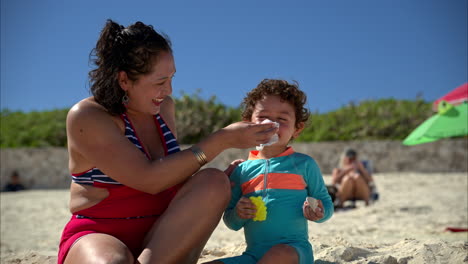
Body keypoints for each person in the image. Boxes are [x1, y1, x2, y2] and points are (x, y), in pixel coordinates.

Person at [57, 20, 279, 264]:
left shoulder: (163, 109)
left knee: (214, 181)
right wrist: (222, 140)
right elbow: (148, 180)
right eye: (160, 82)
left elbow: (170, 175)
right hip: (101, 232)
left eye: (171, 79)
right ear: (124, 80)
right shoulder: (89, 117)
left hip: (163, 236)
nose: (169, 90)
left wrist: (223, 181)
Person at [205, 79, 334, 264]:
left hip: (293, 251)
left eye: (281, 119)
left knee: (279, 255)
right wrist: (239, 214)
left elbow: (327, 205)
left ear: (297, 129)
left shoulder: (304, 164)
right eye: (263, 117)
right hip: (252, 256)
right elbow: (231, 223)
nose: (271, 124)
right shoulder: (241, 171)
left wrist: (320, 213)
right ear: (248, 124)